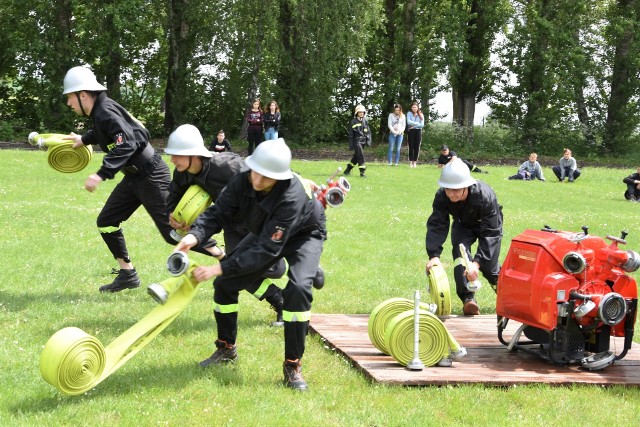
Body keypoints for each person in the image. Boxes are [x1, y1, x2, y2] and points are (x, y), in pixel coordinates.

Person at [174, 138, 326, 391]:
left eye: (265, 178)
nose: (257, 181)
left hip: (303, 233)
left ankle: (292, 365)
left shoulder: (291, 196)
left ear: (278, 177)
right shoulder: (244, 177)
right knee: (225, 285)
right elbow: (218, 211)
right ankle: (226, 349)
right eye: (255, 172)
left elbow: (266, 249)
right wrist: (194, 236)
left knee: (298, 289)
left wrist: (217, 267)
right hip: (267, 229)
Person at [62, 65, 213, 293]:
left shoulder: (105, 111)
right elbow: (108, 132)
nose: (68, 103)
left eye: (70, 97)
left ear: (83, 95)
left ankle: (226, 255)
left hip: (151, 174)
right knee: (107, 221)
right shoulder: (100, 112)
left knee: (173, 234)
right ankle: (127, 275)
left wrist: (101, 173)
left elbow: (127, 144)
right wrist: (84, 139)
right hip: (134, 178)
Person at [165, 124, 287, 325]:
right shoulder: (182, 172)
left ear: (193, 155)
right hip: (231, 225)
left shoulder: (227, 165)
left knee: (276, 269)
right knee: (236, 268)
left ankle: (300, 258)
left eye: (177, 154)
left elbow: (264, 177)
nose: (172, 160)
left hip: (257, 221)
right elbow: (174, 194)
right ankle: (280, 299)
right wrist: (172, 214)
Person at [425, 158, 503, 316]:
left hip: (487, 226)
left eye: (456, 189)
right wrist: (434, 255)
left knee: (489, 267)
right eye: (448, 189)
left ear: (466, 185)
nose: (451, 194)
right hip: (463, 224)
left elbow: (491, 232)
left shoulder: (485, 196)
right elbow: (437, 224)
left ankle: (507, 299)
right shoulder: (442, 196)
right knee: (460, 255)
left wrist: (477, 263)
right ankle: (468, 299)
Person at [344, 104, 371, 178]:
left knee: (356, 157)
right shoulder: (353, 121)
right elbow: (351, 135)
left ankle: (348, 169)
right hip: (357, 141)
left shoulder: (365, 121)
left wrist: (368, 140)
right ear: (357, 113)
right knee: (361, 156)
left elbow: (368, 132)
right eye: (360, 112)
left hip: (363, 142)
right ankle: (362, 172)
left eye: (363, 112)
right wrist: (351, 144)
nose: (361, 113)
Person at [406, 102, 424, 168]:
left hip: (418, 131)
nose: (414, 108)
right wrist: (417, 124)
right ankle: (410, 162)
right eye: (413, 107)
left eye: (415, 107)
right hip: (411, 131)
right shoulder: (409, 113)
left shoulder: (421, 114)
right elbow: (408, 122)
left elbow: (422, 125)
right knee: (411, 147)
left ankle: (415, 163)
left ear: (417, 108)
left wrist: (414, 126)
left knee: (417, 147)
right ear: (411, 108)